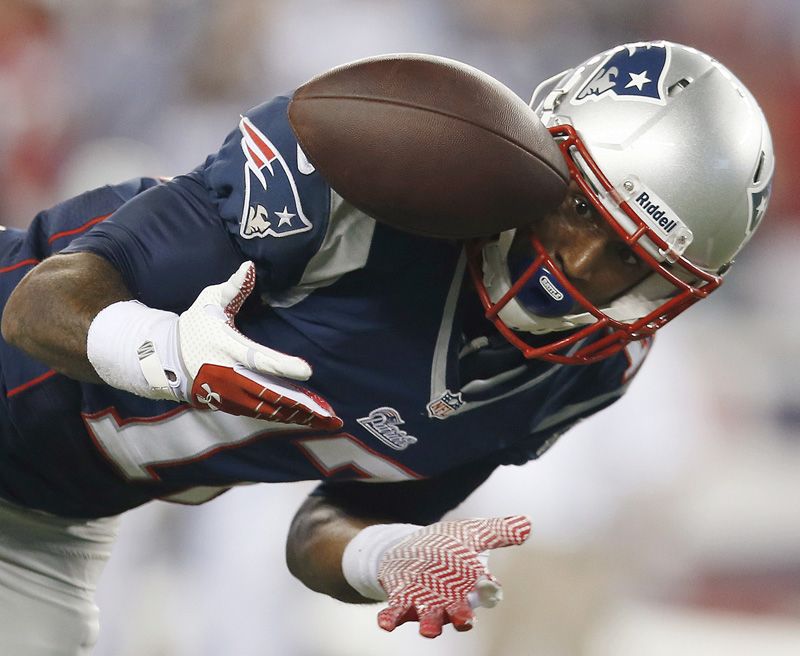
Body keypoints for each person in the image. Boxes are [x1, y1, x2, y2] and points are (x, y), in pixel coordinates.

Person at [0, 40, 773, 654]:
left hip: (52, 518)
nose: (579, 265)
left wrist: (388, 557)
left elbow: (323, 530)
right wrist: (166, 352)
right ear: (543, 146)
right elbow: (40, 304)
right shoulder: (374, 172)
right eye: (580, 207)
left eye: (633, 261)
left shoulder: (583, 375)